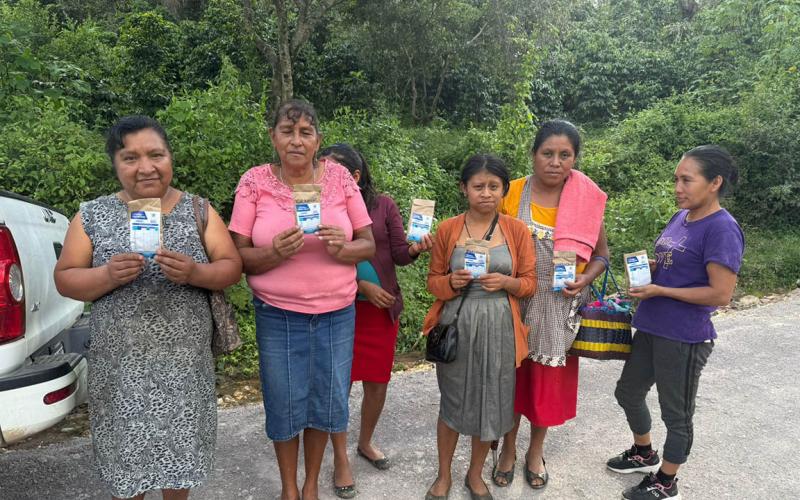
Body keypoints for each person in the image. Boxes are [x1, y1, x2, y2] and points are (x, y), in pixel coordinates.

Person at [53, 116, 243, 500]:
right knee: (126, 465)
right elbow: (65, 278)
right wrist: (107, 275)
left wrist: (195, 273)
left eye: (156, 155)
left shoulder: (198, 210)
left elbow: (231, 267)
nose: (145, 167)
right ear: (115, 164)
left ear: (170, 157)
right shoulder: (92, 215)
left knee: (180, 460)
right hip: (121, 372)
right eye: (130, 158)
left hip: (184, 371)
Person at [228, 100, 376, 500]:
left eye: (305, 133)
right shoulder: (255, 181)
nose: (296, 141)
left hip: (336, 314)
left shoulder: (340, 178)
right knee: (284, 404)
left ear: (317, 140)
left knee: (324, 403)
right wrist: (273, 253)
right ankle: (289, 488)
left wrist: (344, 248)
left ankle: (310, 485)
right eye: (287, 131)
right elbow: (238, 256)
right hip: (277, 316)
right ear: (273, 137)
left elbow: (368, 243)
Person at [606, 145, 744, 500]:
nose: (678, 188)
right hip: (652, 326)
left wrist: (661, 289)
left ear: (715, 182)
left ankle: (666, 482)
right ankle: (644, 452)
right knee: (628, 392)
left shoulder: (722, 229)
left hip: (684, 336)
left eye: (687, 180)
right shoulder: (681, 217)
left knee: (676, 414)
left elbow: (720, 293)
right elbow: (677, 266)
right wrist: (653, 269)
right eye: (676, 180)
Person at [493, 120, 610, 490]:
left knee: (545, 385)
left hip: (558, 308)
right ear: (533, 155)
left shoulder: (586, 202)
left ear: (574, 159)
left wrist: (585, 279)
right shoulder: (511, 193)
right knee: (510, 381)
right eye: (548, 153)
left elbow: (601, 256)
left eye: (565, 155)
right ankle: (508, 449)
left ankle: (535, 451)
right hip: (513, 302)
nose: (556, 162)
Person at [319, 144, 434, 498]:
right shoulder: (320, 210)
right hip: (340, 308)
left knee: (377, 382)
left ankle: (365, 442)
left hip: (381, 310)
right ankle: (341, 456)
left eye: (332, 170)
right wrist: (362, 285)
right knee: (338, 385)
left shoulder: (383, 205)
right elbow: (317, 261)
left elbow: (399, 253)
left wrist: (416, 248)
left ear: (354, 176)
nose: (324, 176)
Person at [422, 154, 537, 500]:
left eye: (493, 186)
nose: (486, 193)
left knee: (491, 401)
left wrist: (506, 282)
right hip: (457, 324)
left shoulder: (516, 230)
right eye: (478, 186)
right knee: (453, 400)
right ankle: (443, 475)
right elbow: (433, 281)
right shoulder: (448, 229)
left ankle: (474, 475)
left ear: (504, 190)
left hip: (500, 325)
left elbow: (529, 283)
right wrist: (450, 283)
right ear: (464, 188)